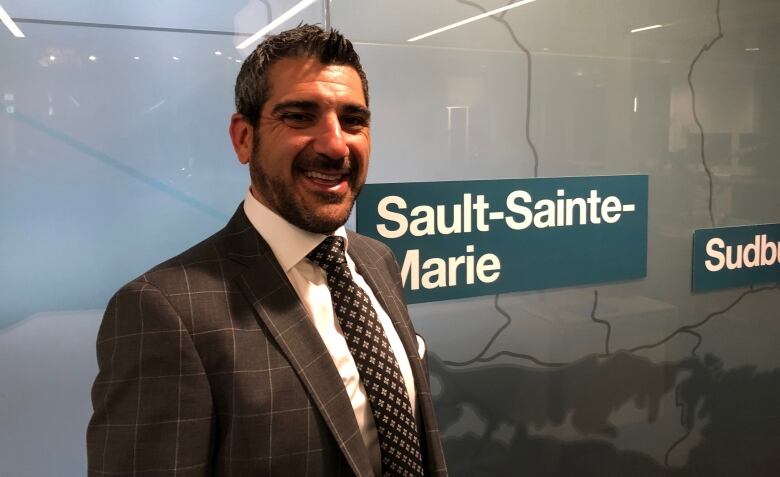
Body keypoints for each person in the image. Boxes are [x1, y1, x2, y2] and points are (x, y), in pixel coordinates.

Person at [86, 24, 448, 477]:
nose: (336, 145)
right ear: (244, 138)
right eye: (299, 116)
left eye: (353, 120)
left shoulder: (377, 260)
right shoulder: (164, 312)